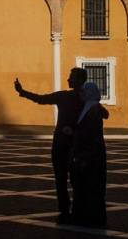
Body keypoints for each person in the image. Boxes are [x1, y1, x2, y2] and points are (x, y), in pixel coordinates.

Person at [14, 67, 86, 224]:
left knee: (62, 179)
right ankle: (76, 209)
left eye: (71, 77)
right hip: (76, 144)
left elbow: (41, 99)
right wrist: (23, 91)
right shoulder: (86, 99)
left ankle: (65, 210)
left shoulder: (67, 97)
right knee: (76, 179)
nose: (68, 79)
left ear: (79, 80)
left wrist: (22, 91)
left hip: (64, 143)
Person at [70, 82, 108, 227]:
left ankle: (90, 218)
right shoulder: (90, 107)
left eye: (84, 92)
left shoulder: (92, 109)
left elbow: (89, 133)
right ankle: (87, 217)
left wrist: (74, 134)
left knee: (90, 186)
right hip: (90, 154)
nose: (81, 94)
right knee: (88, 187)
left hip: (90, 156)